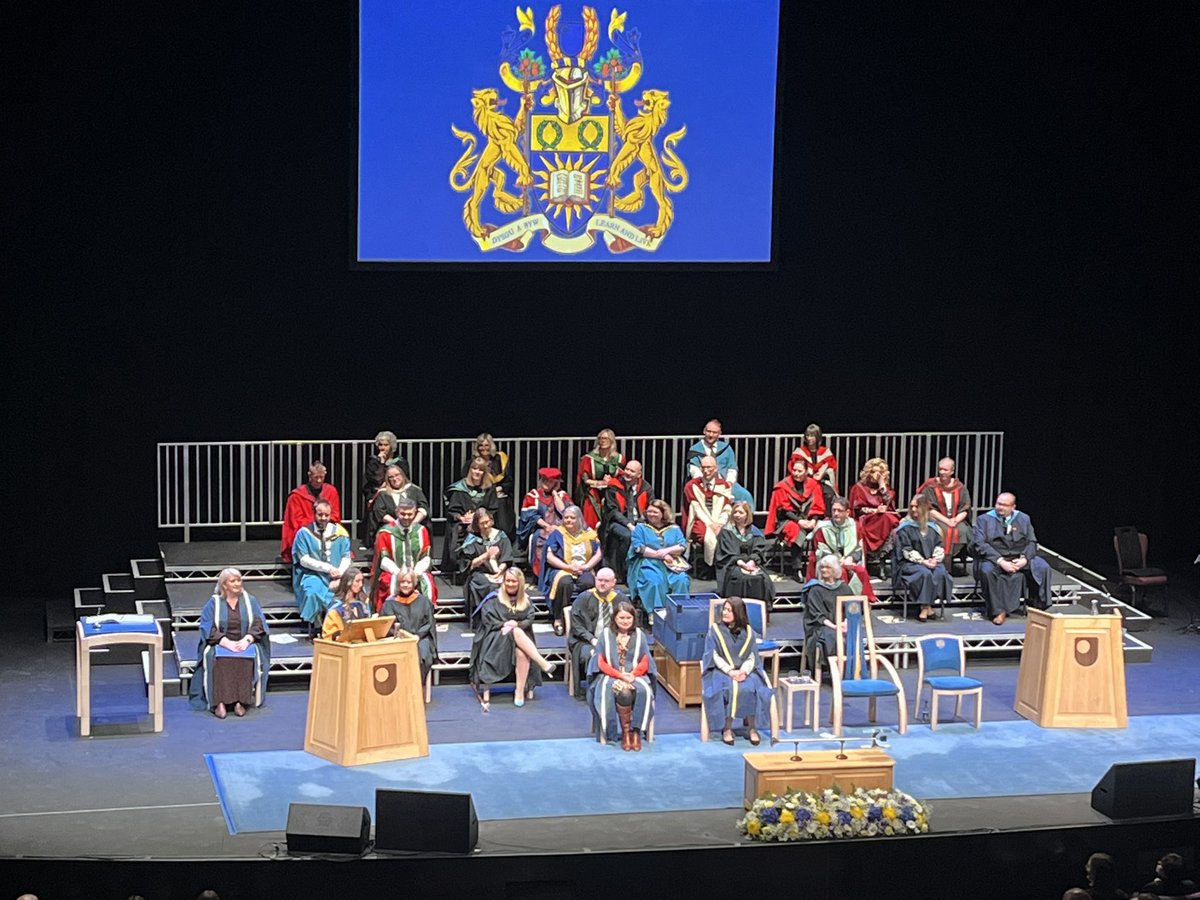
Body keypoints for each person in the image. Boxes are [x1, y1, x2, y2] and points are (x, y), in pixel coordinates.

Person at [468, 568, 557, 710]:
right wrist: (505, 624)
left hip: (520, 640)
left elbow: (529, 618)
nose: (510, 583)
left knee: (522, 652)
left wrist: (516, 624)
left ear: (520, 582)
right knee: (515, 630)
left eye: (513, 581)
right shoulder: (493, 598)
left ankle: (519, 691)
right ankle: (542, 662)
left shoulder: (525, 600)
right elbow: (487, 620)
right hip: (496, 636)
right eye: (507, 580)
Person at [188, 568, 269, 718]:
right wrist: (226, 643)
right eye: (233, 581)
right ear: (224, 585)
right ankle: (219, 703)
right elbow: (207, 627)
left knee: (245, 659)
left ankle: (241, 702)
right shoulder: (214, 603)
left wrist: (246, 640)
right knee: (220, 659)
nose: (237, 584)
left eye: (239, 580)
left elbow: (259, 624)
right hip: (220, 643)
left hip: (244, 643)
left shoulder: (250, 601)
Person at [701, 597, 774, 746]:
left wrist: (744, 671)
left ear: (738, 613)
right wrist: (730, 671)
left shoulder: (748, 632)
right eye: (725, 609)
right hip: (720, 670)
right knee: (728, 688)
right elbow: (713, 655)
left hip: (745, 670)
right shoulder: (714, 631)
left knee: (753, 688)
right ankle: (727, 728)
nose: (725, 613)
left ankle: (752, 728)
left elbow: (752, 656)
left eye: (729, 610)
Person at [972, 492, 1052, 625]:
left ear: (1013, 507)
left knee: (1042, 567)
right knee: (987, 571)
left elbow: (1032, 542)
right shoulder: (984, 520)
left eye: (1004, 505)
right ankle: (998, 610)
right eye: (998, 504)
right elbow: (980, 544)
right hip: (994, 558)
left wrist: (1024, 559)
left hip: (1018, 557)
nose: (1000, 507)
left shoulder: (1024, 519)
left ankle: (1038, 606)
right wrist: (1001, 561)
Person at [587, 599, 655, 749]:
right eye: (621, 618)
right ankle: (625, 732)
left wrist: (634, 674)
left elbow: (645, 660)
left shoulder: (639, 635)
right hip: (610, 674)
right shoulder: (606, 635)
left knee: (643, 690)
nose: (625, 621)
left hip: (635, 674)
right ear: (615, 619)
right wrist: (620, 675)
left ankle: (636, 731)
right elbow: (600, 662)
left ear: (633, 618)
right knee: (623, 693)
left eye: (628, 618)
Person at [540, 505, 602, 636]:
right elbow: (549, 556)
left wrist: (587, 567)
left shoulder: (588, 534)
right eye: (566, 517)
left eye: (572, 518)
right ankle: (558, 619)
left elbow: (598, 553)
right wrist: (568, 567)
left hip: (584, 568)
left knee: (588, 583)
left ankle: (585, 619)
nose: (568, 520)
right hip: (562, 568)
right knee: (564, 583)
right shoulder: (558, 533)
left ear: (579, 519)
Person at [893, 495, 956, 622]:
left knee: (941, 571)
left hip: (930, 562)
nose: (914, 509)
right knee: (924, 573)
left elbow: (939, 545)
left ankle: (926, 607)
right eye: (912, 506)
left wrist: (935, 559)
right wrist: (923, 561)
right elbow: (906, 550)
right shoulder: (905, 527)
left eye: (917, 506)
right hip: (908, 564)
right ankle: (926, 607)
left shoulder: (934, 527)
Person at [292, 498, 353, 627]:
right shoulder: (304, 533)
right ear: (314, 514)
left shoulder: (340, 533)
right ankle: (316, 626)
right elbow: (303, 559)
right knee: (312, 591)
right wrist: (328, 568)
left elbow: (346, 557)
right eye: (320, 515)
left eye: (327, 515)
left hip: (338, 574)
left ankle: (344, 625)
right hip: (314, 574)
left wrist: (339, 573)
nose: (323, 518)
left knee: (354, 589)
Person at [568, 567, 626, 699]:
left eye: (606, 581)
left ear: (614, 582)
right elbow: (577, 626)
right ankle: (595, 690)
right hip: (586, 641)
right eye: (600, 580)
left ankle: (621, 687)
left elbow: (630, 620)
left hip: (615, 640)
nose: (602, 583)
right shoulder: (583, 598)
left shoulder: (621, 598)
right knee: (592, 654)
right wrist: (593, 640)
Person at [369, 497, 436, 610]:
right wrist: (401, 574)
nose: (406, 517)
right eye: (403, 514)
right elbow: (384, 559)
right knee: (388, 581)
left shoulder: (421, 531)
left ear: (415, 513)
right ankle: (390, 613)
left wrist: (415, 573)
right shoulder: (386, 532)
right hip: (393, 572)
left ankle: (425, 614)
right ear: (397, 512)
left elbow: (426, 556)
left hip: (415, 571)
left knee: (427, 580)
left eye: (410, 514)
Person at [627, 499, 690, 620]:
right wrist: (660, 555)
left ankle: (678, 612)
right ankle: (656, 613)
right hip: (648, 562)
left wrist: (667, 551)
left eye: (655, 512)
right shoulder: (640, 528)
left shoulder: (674, 528)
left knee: (682, 579)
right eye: (649, 511)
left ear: (663, 513)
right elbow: (639, 548)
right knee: (654, 581)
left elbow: (682, 546)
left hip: (671, 563)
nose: (651, 514)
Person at [764, 456, 826, 579]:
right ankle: (797, 568)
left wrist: (813, 520)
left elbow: (818, 506)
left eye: (799, 471)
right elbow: (783, 509)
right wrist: (800, 521)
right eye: (794, 470)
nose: (796, 474)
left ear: (806, 472)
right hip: (787, 520)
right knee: (794, 530)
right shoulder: (783, 486)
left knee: (824, 529)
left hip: (810, 520)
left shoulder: (814, 485)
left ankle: (819, 568)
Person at [812, 495, 878, 602]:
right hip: (829, 563)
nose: (836, 513)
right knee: (840, 572)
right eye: (834, 510)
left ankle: (861, 604)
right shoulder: (822, 528)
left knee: (860, 571)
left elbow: (859, 548)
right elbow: (821, 550)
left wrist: (851, 558)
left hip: (848, 561)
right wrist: (837, 561)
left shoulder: (855, 526)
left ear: (847, 513)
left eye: (840, 511)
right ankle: (841, 604)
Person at [442, 456, 499, 579]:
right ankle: (462, 567)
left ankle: (485, 567)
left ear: (484, 473)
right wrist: (461, 518)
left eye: (480, 470)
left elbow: (493, 509)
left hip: (483, 524)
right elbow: (451, 510)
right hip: (462, 525)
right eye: (474, 469)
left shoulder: (489, 489)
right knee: (458, 531)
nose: (477, 472)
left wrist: (479, 517)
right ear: (470, 470)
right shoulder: (459, 489)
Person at [379, 568, 437, 684]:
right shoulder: (390, 603)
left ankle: (416, 689)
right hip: (397, 640)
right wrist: (399, 636)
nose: (405, 585)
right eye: (402, 582)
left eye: (409, 582)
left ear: (414, 583)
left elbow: (428, 624)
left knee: (420, 656)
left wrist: (417, 636)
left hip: (420, 638)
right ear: (398, 583)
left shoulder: (423, 601)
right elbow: (385, 625)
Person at [800, 555, 854, 675]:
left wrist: (846, 622)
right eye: (822, 567)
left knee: (854, 633)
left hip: (841, 625)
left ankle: (850, 670)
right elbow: (817, 616)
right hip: (819, 627)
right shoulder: (815, 589)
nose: (824, 570)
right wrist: (835, 627)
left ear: (835, 570)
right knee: (831, 635)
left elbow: (852, 608)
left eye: (828, 567)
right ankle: (835, 670)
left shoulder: (844, 588)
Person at [459, 507, 513, 626]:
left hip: (501, 572)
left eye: (487, 522)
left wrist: (500, 572)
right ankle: (487, 618)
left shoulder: (501, 536)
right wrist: (486, 555)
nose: (486, 525)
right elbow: (469, 564)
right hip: (480, 573)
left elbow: (507, 557)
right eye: (482, 523)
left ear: (492, 521)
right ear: (477, 524)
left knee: (512, 580)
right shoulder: (472, 539)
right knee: (489, 585)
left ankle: (508, 617)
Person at [716, 500, 775, 609]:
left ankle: (757, 612)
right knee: (739, 577)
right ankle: (736, 611)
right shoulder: (727, 531)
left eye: (741, 513)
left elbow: (759, 550)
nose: (737, 515)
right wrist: (742, 564)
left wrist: (752, 561)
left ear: (747, 515)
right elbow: (728, 553)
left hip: (752, 563)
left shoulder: (755, 532)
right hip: (732, 564)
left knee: (761, 578)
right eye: (735, 512)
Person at [281, 460, 342, 565]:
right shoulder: (297, 496)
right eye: (316, 477)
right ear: (310, 476)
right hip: (306, 531)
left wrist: (324, 522)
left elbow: (335, 515)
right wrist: (315, 524)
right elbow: (296, 521)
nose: (319, 480)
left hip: (327, 528)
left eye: (321, 477)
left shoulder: (331, 491)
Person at [681, 454, 734, 575]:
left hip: (720, 520)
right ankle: (708, 567)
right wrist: (710, 525)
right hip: (699, 519)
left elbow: (727, 507)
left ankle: (721, 567)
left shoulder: (723, 485)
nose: (706, 470)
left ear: (716, 469)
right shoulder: (692, 486)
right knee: (704, 535)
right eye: (703, 467)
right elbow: (695, 508)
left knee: (726, 534)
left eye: (709, 467)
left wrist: (720, 523)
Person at [602, 459, 654, 582]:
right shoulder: (614, 486)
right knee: (628, 536)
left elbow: (650, 507)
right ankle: (625, 572)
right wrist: (629, 525)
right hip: (617, 523)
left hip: (640, 522)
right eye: (627, 469)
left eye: (632, 471)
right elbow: (613, 511)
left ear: (638, 475)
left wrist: (642, 523)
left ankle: (646, 572)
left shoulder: (645, 487)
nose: (628, 473)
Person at [919, 457, 973, 572]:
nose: (942, 472)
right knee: (942, 530)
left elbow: (965, 508)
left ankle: (949, 559)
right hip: (936, 518)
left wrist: (955, 520)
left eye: (945, 470)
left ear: (952, 471)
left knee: (962, 531)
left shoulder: (960, 487)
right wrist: (947, 521)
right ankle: (942, 563)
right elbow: (928, 508)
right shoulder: (931, 486)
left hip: (956, 519)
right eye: (940, 469)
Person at [848, 457, 901, 572]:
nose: (875, 475)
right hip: (865, 518)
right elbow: (857, 509)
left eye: (879, 473)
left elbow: (889, 504)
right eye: (873, 472)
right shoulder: (859, 488)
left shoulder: (885, 489)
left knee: (889, 518)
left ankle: (883, 557)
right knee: (885, 519)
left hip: (881, 518)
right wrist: (874, 511)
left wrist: (882, 486)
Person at [518, 467, 570, 578]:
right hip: (540, 528)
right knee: (540, 538)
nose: (546, 482)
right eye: (544, 479)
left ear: (556, 483)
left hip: (559, 529)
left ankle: (558, 572)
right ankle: (540, 575)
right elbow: (530, 515)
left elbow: (565, 512)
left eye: (550, 481)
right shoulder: (533, 495)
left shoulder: (562, 495)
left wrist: (555, 493)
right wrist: (546, 526)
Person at [687, 419, 753, 504]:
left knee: (745, 495)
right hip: (704, 483)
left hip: (725, 482)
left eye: (714, 432)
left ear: (719, 433)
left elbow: (732, 468)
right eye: (708, 431)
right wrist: (704, 483)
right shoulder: (695, 449)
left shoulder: (726, 448)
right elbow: (694, 469)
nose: (711, 435)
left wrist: (729, 483)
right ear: (704, 431)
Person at [360, 431, 409, 543]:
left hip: (397, 491)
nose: (382, 448)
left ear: (392, 446)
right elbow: (376, 480)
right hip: (378, 492)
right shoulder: (373, 461)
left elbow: (404, 479)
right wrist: (381, 463)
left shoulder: (400, 462)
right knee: (378, 498)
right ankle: (374, 538)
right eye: (380, 445)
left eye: (386, 445)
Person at [364, 464, 429, 545]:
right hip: (392, 530)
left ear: (402, 475)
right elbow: (379, 512)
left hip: (415, 528)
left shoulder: (415, 490)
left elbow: (423, 508)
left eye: (397, 475)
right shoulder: (383, 494)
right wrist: (398, 525)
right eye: (391, 477)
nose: (394, 479)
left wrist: (413, 525)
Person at [575, 428, 625, 531]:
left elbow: (622, 477)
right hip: (593, 492)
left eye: (606, 438)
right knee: (591, 513)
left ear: (612, 441)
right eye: (600, 438)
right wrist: (598, 482)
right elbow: (584, 479)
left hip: (612, 492)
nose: (602, 441)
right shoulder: (589, 458)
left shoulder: (619, 458)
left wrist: (611, 480)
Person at [469, 433, 514, 536]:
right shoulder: (475, 462)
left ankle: (504, 537)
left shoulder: (500, 459)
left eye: (486, 445)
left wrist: (500, 488)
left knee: (501, 503)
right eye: (481, 445)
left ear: (491, 446)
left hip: (500, 494)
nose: (484, 448)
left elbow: (509, 480)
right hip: (482, 494)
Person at [320, 567, 371, 640]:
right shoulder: (336, 608)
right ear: (348, 582)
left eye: (362, 581)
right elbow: (329, 635)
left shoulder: (363, 603)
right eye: (357, 581)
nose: (361, 585)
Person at [789, 423, 838, 491]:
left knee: (829, 493)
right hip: (804, 481)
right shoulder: (799, 453)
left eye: (812, 436)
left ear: (817, 437)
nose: (809, 438)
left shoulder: (825, 452)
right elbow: (792, 467)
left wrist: (822, 473)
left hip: (822, 481)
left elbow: (832, 467)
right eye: (807, 435)